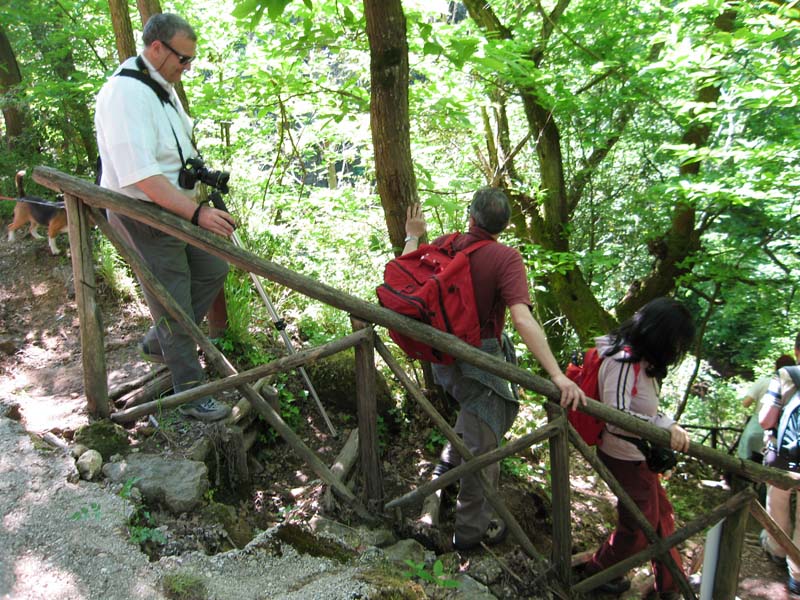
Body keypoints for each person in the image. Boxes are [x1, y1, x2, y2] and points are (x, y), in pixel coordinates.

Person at [402, 188, 585, 551]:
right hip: (480, 364)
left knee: (474, 421)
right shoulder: (506, 259)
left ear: (470, 215)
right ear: (505, 225)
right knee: (486, 452)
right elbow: (522, 317)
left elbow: (407, 285)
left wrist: (412, 235)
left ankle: (442, 474)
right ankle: (469, 534)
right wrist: (557, 375)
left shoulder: (447, 244)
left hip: (444, 360)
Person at [95, 13, 235, 421]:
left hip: (172, 205)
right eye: (183, 59)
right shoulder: (126, 94)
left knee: (212, 268)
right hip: (143, 211)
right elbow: (141, 175)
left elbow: (175, 152)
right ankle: (190, 394)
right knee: (173, 297)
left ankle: (163, 341)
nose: (187, 67)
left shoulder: (161, 86)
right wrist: (196, 213)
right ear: (156, 48)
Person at [581, 297, 695, 599]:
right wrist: (662, 428)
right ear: (661, 335)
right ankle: (600, 573)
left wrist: (668, 424)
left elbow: (642, 411)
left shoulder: (640, 361)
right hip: (624, 457)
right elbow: (615, 417)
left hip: (636, 456)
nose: (676, 350)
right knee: (640, 529)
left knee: (661, 520)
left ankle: (668, 587)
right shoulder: (623, 360)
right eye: (676, 341)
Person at [758, 332, 800, 595]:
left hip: (785, 459)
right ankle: (798, 574)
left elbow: (765, 419)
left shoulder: (786, 374)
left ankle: (776, 548)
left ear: (797, 350)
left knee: (778, 503)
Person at [737, 354, 795, 463]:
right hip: (781, 435)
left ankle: (732, 478)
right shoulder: (795, 387)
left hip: (756, 428)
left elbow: (746, 403)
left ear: (775, 367)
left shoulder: (764, 381)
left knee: (744, 459)